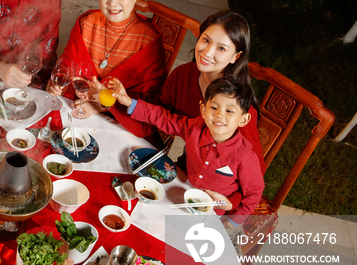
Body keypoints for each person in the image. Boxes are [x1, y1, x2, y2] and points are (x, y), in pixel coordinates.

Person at [109, 76, 264, 217]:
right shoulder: (194, 128)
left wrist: (234, 221)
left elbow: (254, 193)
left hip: (214, 213)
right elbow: (164, 118)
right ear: (203, 110)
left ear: (243, 120)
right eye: (214, 107)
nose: (220, 115)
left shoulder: (245, 157)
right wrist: (129, 102)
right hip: (181, 193)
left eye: (229, 111)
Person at [47, 0, 167, 138]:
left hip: (119, 123)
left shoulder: (148, 39)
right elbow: (66, 65)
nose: (113, 3)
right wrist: (57, 86)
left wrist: (102, 105)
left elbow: (149, 103)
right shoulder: (86, 24)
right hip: (76, 111)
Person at [158, 10, 266, 173]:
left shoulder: (237, 105)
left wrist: (229, 199)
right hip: (185, 168)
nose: (207, 52)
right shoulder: (183, 75)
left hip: (218, 183)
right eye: (206, 40)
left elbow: (255, 167)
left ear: (235, 57)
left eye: (221, 48)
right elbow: (156, 114)